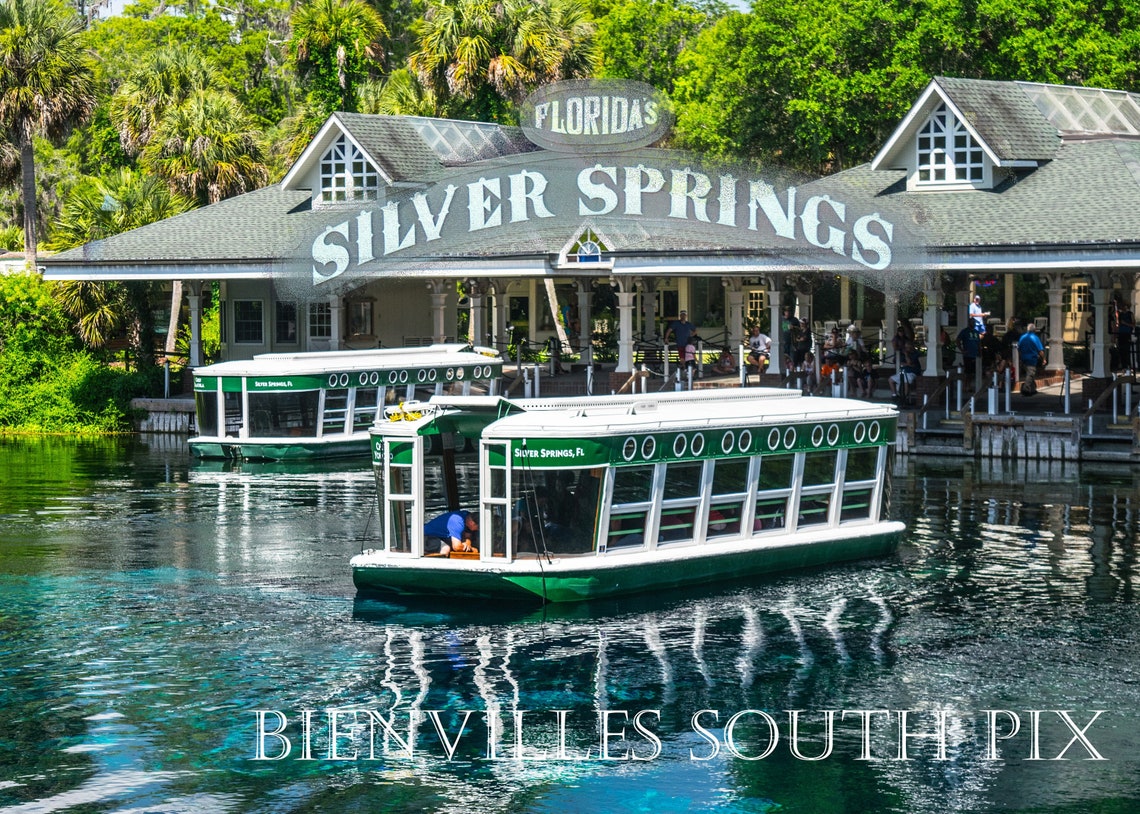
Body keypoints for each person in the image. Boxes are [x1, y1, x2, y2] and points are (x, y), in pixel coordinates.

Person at [1017, 323, 1046, 395]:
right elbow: (1040, 351)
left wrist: (1020, 358)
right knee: (1030, 374)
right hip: (1032, 359)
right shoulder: (1035, 338)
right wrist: (1043, 359)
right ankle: (1025, 389)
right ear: (1034, 330)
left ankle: (1033, 389)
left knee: (1030, 373)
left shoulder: (1022, 337)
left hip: (1023, 358)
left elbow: (1019, 349)